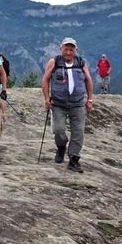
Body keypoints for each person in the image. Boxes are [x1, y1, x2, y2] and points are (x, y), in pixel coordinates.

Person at [40, 37, 94, 173]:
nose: (68, 52)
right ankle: (61, 147)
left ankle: (73, 159)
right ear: (61, 49)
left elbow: (88, 80)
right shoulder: (55, 62)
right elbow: (45, 79)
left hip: (77, 104)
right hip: (58, 103)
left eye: (71, 49)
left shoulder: (81, 63)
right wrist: (46, 98)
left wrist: (90, 99)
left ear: (76, 50)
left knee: (78, 132)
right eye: (66, 49)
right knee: (58, 130)